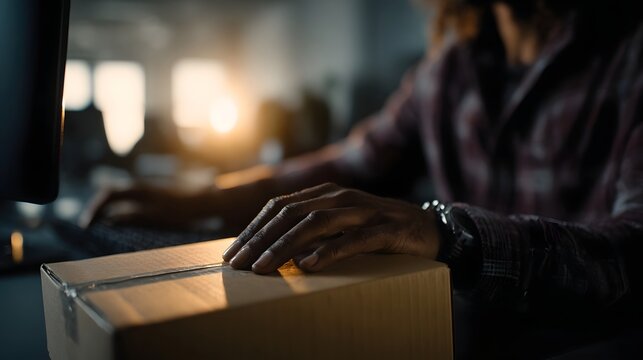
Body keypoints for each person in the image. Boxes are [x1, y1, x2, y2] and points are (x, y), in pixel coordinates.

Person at [83, 0, 643, 357]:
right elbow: (347, 166)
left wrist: (450, 234)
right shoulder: (447, 70)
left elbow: (634, 255)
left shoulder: (630, 56)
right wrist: (196, 199)